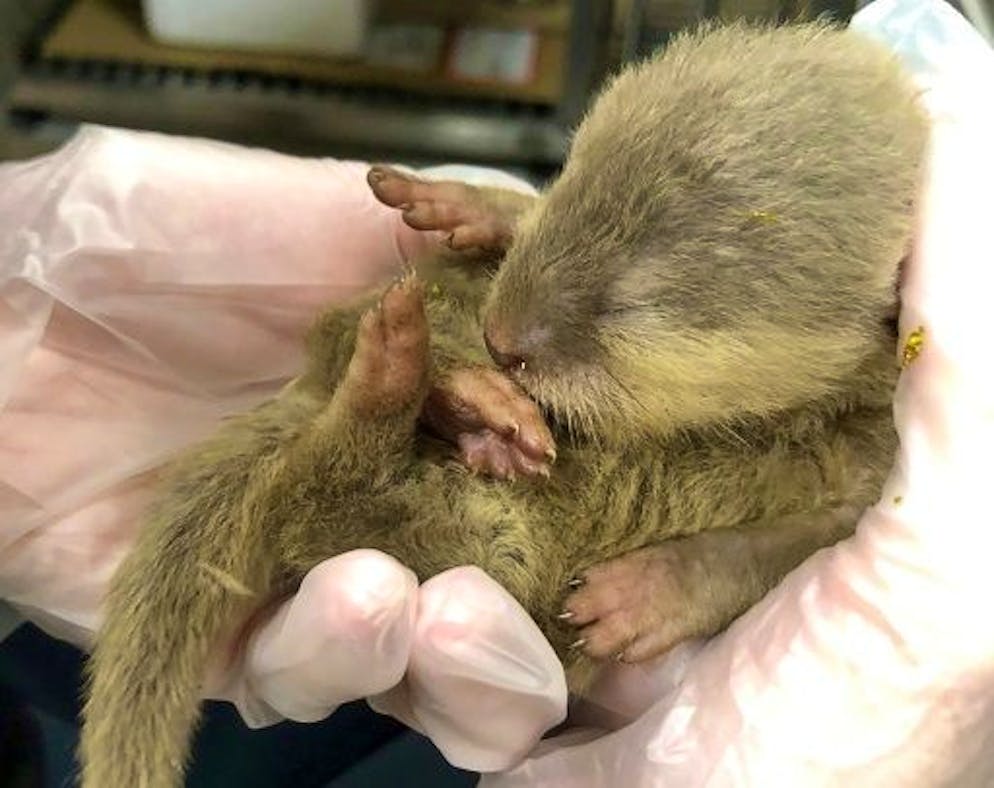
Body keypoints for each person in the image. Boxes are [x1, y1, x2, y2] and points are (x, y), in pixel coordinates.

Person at [1, 0, 991, 784]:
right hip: (439, 451)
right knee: (412, 354)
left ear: (865, 308)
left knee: (439, 589)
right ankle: (376, 417)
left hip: (525, 557)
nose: (521, 323)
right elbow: (597, 232)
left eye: (627, 308)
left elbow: (824, 512)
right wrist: (520, 217)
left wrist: (710, 570)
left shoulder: (904, 386)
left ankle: (363, 437)